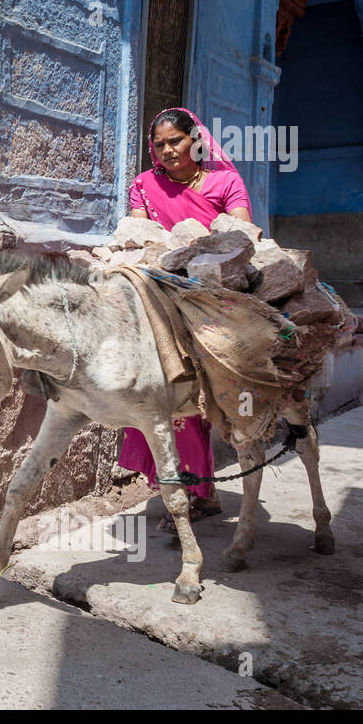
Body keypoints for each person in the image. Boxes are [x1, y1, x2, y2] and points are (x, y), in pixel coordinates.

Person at [120, 107, 253, 532]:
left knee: (195, 397)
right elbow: (141, 241)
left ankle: (199, 491)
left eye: (175, 140)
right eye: (158, 144)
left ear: (196, 140)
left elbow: (243, 237)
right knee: (149, 390)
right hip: (160, 292)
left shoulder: (225, 182)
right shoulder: (145, 184)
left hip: (211, 295)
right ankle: (191, 489)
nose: (167, 150)